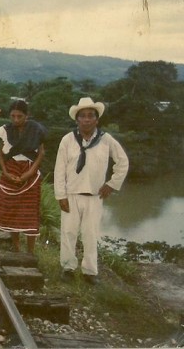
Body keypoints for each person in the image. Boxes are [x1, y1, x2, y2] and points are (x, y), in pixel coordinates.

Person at [54, 97, 129, 285]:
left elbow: (123, 162)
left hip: (95, 196)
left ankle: (89, 271)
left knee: (90, 234)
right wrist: (60, 195)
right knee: (68, 232)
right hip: (71, 195)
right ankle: (68, 267)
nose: (86, 119)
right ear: (77, 119)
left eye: (90, 116)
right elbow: (59, 170)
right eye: (83, 116)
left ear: (96, 120)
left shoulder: (106, 140)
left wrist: (112, 184)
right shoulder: (68, 140)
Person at [0, 100, 46, 254]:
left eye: (20, 116)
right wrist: (6, 172)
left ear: (27, 115)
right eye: (13, 116)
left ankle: (30, 251)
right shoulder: (5, 130)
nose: (16, 120)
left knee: (29, 211)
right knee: (12, 209)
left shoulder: (37, 130)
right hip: (11, 170)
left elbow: (41, 154)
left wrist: (28, 174)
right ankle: (15, 247)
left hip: (30, 171)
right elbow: (0, 154)